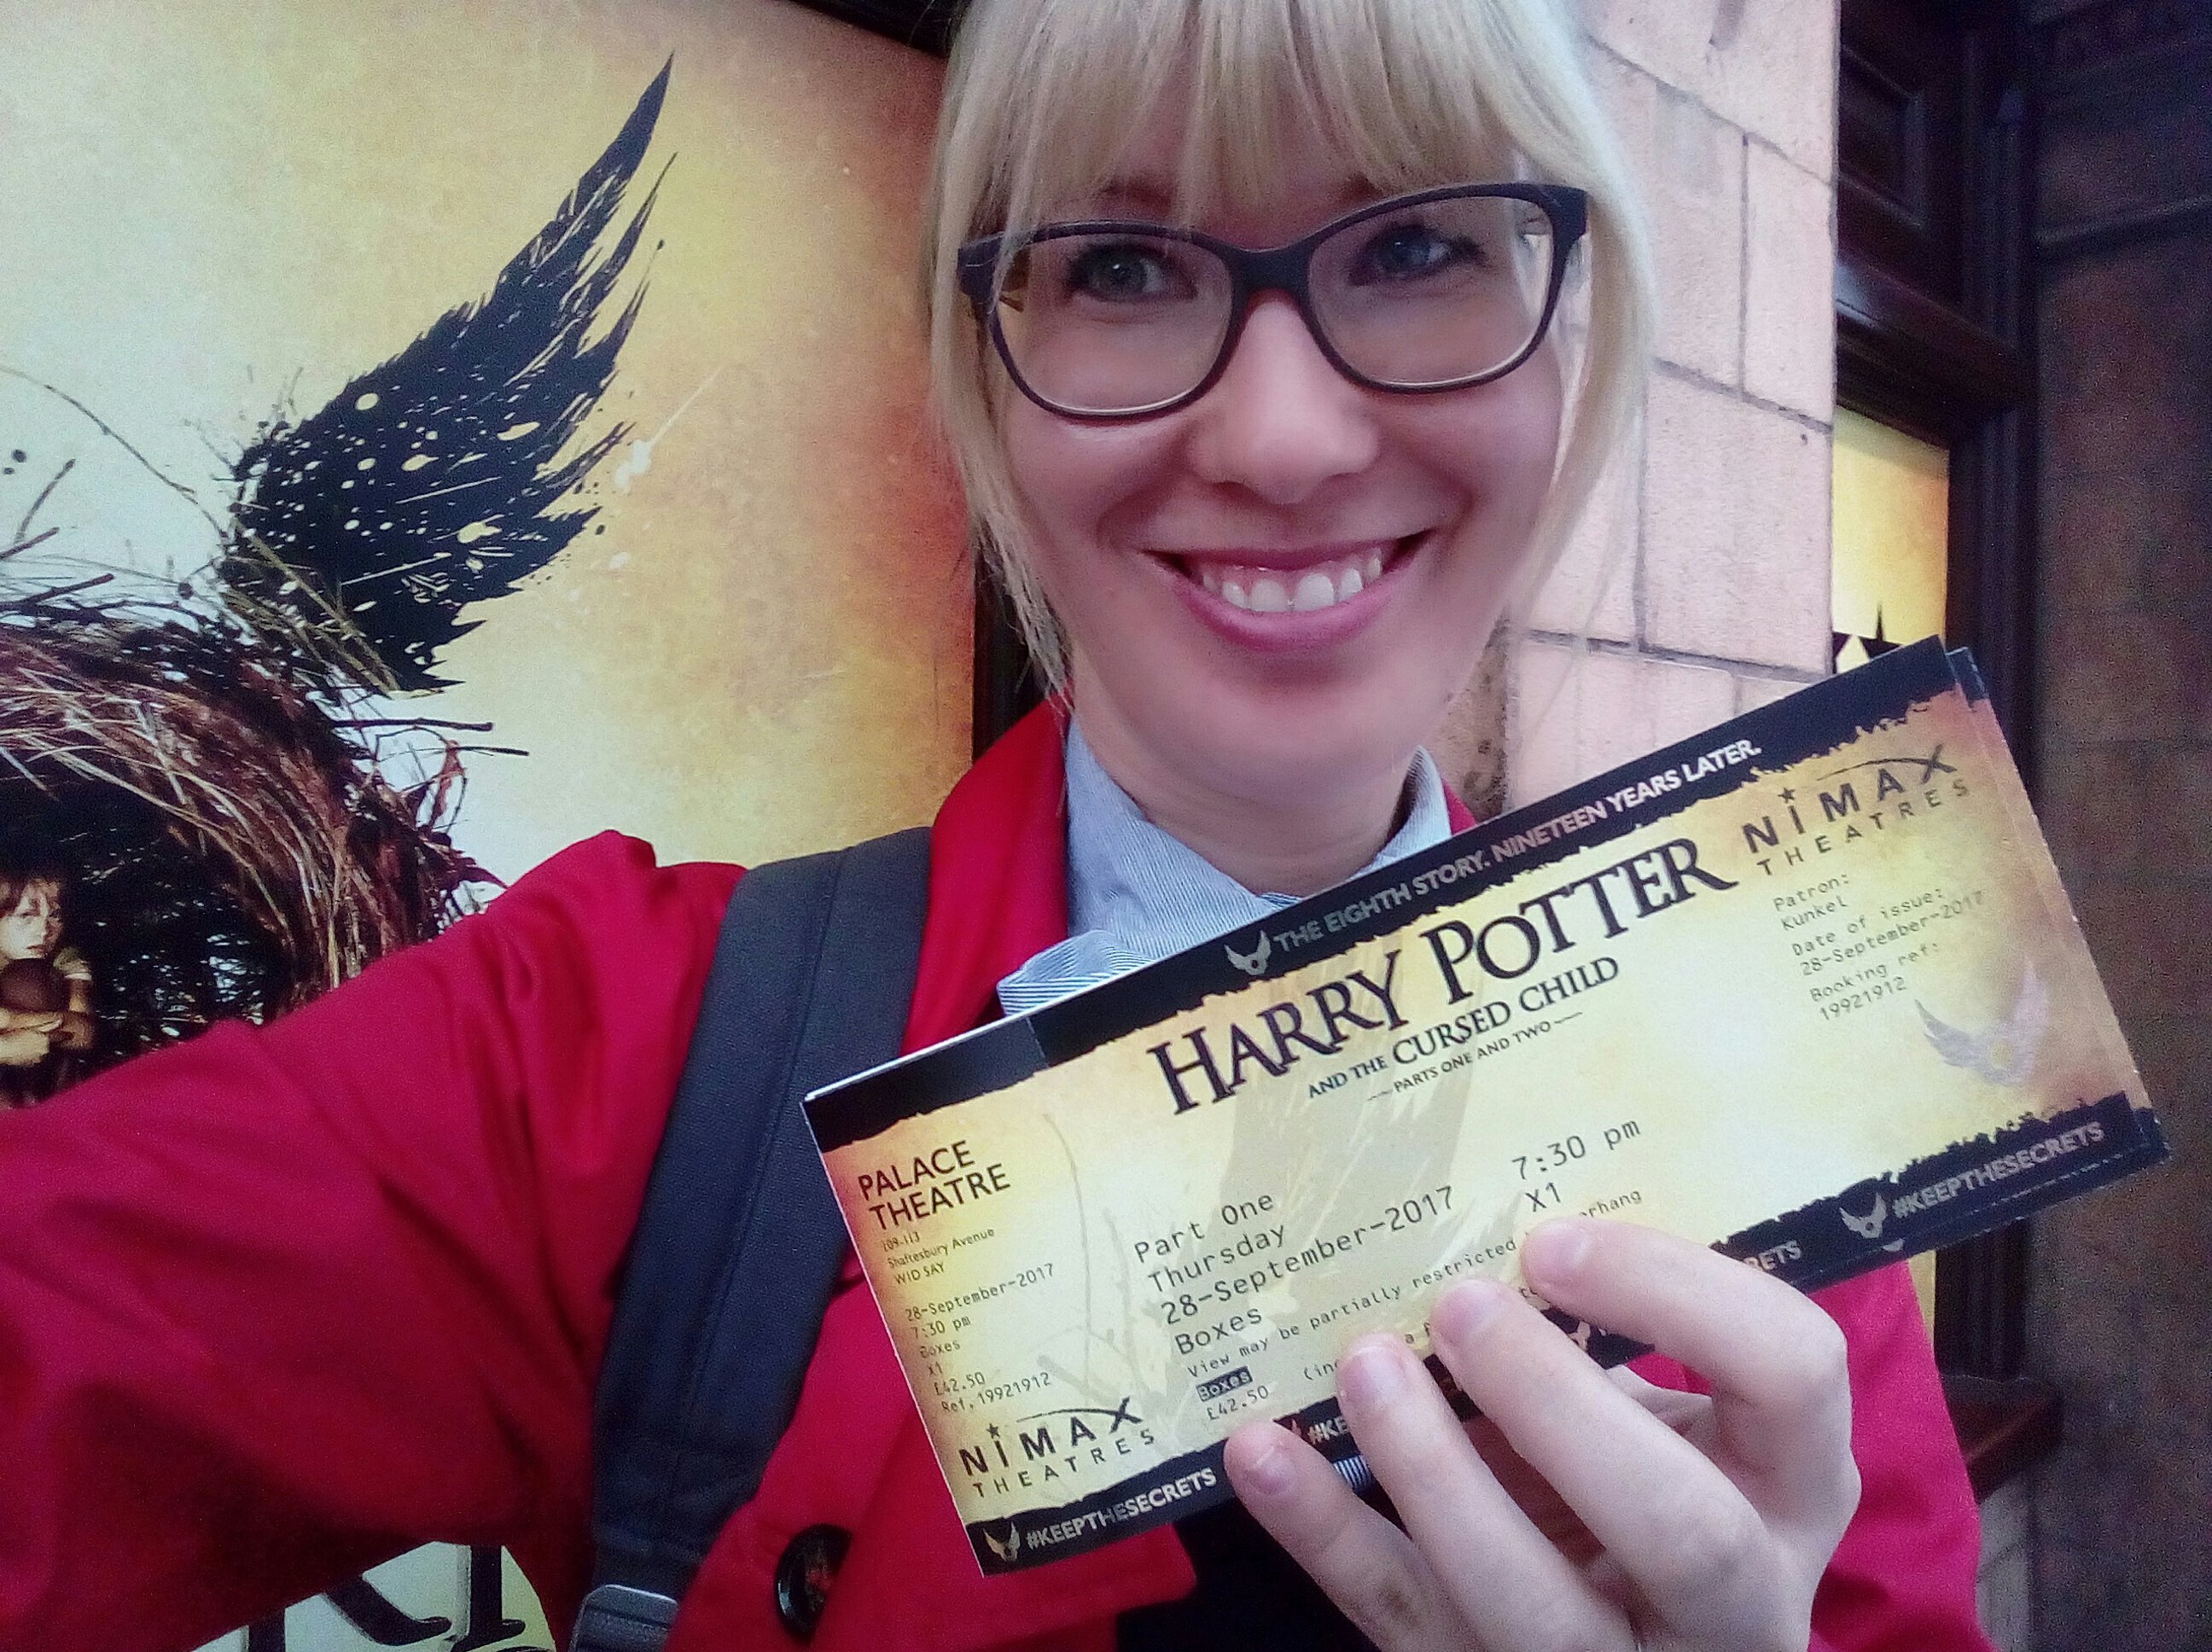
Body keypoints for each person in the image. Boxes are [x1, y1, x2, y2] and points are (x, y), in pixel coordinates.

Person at [0, 0, 1995, 1648]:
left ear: (1568, 328)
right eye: (1122, 267)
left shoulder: (1758, 1136)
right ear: (987, 375)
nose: (1284, 436)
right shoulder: (622, 1061)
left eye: (1414, 249)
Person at [0, 863, 96, 1107]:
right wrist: (7, 1047)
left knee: (30, 979)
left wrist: (11, 1021)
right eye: (26, 916)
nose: (44, 930)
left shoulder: (62, 959)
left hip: (44, 1085)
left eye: (54, 916)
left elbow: (83, 1033)